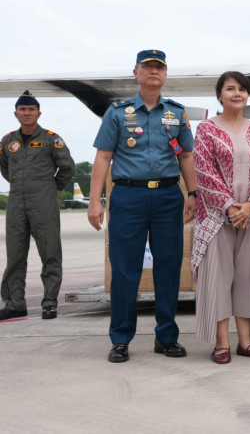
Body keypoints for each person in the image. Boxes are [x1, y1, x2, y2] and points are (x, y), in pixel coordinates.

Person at [87, 49, 198, 363]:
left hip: (166, 197)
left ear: (165, 74)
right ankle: (121, 338)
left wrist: (193, 193)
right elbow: (103, 157)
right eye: (147, 67)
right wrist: (95, 201)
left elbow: (186, 156)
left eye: (159, 67)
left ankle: (166, 337)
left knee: (168, 267)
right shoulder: (118, 113)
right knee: (124, 270)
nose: (153, 72)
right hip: (127, 197)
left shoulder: (177, 113)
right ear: (135, 72)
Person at [192, 72, 250, 364]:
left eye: (242, 89)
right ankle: (221, 344)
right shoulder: (205, 130)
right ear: (220, 95)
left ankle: (246, 342)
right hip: (215, 217)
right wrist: (229, 206)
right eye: (230, 89)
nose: (236, 93)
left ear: (248, 95)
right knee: (218, 277)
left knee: (248, 278)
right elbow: (204, 173)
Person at [0, 91, 75, 321]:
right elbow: (4, 168)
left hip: (44, 203)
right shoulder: (7, 140)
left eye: (31, 109)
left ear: (38, 113)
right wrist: (18, 183)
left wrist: (51, 188)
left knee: (50, 253)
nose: (27, 113)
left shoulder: (51, 139)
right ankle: (14, 303)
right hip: (15, 204)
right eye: (22, 109)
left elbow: (68, 168)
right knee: (14, 256)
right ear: (16, 113)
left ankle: (50, 303)